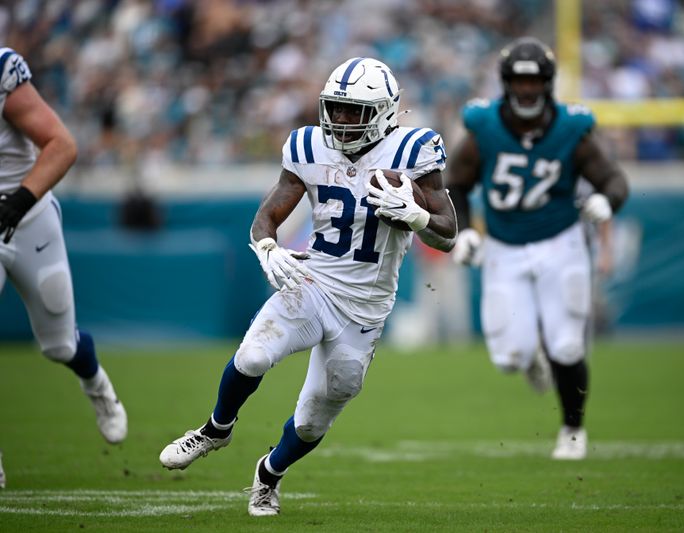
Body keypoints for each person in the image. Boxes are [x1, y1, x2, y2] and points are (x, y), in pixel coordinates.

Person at [159, 57, 457, 516]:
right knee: (254, 355)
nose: (339, 119)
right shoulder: (307, 145)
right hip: (313, 282)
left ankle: (269, 475)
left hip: (366, 306)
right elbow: (268, 215)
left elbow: (447, 231)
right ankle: (216, 428)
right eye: (335, 108)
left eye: (352, 110)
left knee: (319, 412)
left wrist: (417, 216)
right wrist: (267, 248)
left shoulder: (414, 152)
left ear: (384, 111)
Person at [447, 38, 629, 460]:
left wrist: (608, 201)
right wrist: (465, 232)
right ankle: (531, 358)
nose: (526, 91)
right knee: (509, 357)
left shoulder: (571, 128)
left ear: (547, 83)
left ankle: (572, 428)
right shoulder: (484, 126)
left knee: (566, 345)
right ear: (506, 83)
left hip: (560, 243)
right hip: (504, 247)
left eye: (534, 82)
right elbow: (455, 182)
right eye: (518, 81)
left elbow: (613, 177)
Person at [0, 48, 128, 487]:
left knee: (59, 345)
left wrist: (17, 202)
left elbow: (62, 145)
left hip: (27, 214)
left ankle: (96, 385)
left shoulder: (4, 72)